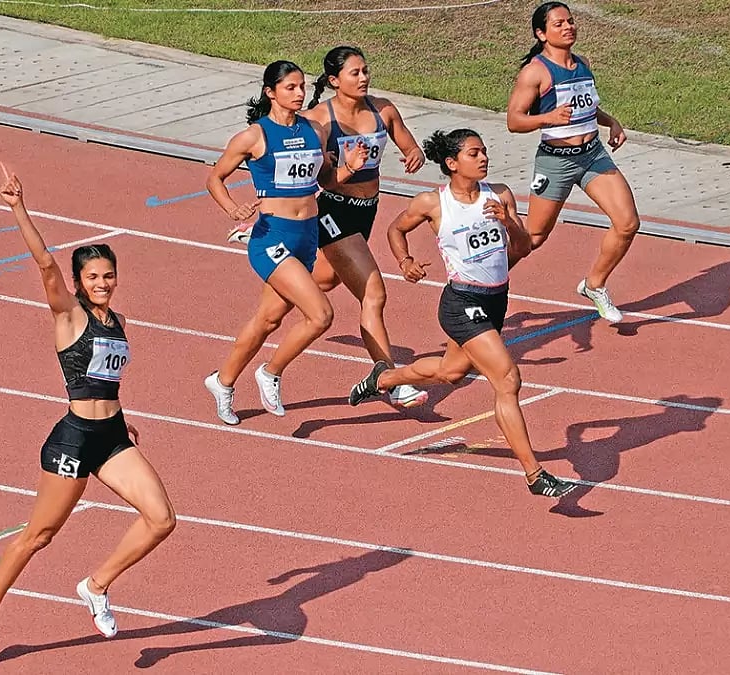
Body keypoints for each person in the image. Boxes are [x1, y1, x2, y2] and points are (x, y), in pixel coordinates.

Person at [0, 165, 177, 667]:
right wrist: (18, 207)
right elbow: (45, 266)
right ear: (79, 283)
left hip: (111, 435)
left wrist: (121, 417)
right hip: (74, 441)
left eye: (108, 275)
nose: (102, 283)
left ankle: (96, 585)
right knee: (38, 537)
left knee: (162, 519)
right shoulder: (69, 315)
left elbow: (108, 379)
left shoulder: (119, 321)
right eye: (93, 277)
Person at [347, 129, 577, 498]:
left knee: (449, 372)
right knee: (507, 379)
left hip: (495, 301)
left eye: (484, 152)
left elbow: (524, 247)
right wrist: (405, 262)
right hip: (460, 303)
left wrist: (508, 221)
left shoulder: (499, 195)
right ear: (452, 164)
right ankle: (535, 475)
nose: (484, 158)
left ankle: (382, 380)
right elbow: (395, 229)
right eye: (474, 154)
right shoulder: (432, 203)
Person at [202, 60, 369, 425]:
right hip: (271, 237)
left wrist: (350, 168)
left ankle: (223, 381)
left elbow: (327, 180)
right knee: (321, 314)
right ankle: (271, 372)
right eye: (290, 88)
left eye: (302, 87)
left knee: (267, 320)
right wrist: (232, 209)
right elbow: (215, 177)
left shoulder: (314, 131)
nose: (299, 94)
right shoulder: (254, 136)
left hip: (306, 237)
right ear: (270, 92)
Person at [300, 45, 428, 409]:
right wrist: (348, 169)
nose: (364, 78)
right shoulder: (319, 122)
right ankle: (388, 377)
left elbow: (408, 143)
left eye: (366, 71)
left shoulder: (383, 109)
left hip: (366, 211)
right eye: (355, 73)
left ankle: (282, 271)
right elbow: (321, 180)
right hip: (334, 211)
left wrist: (414, 153)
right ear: (333, 80)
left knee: (323, 282)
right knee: (374, 295)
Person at [506, 1, 640, 324]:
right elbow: (513, 120)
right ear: (541, 33)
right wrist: (548, 117)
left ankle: (594, 284)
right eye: (559, 24)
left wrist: (612, 122)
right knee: (532, 239)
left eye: (571, 21)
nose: (568, 27)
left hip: (592, 155)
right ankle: (482, 278)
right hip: (556, 161)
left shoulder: (583, 64)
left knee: (627, 223)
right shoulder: (535, 72)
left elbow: (586, 107)